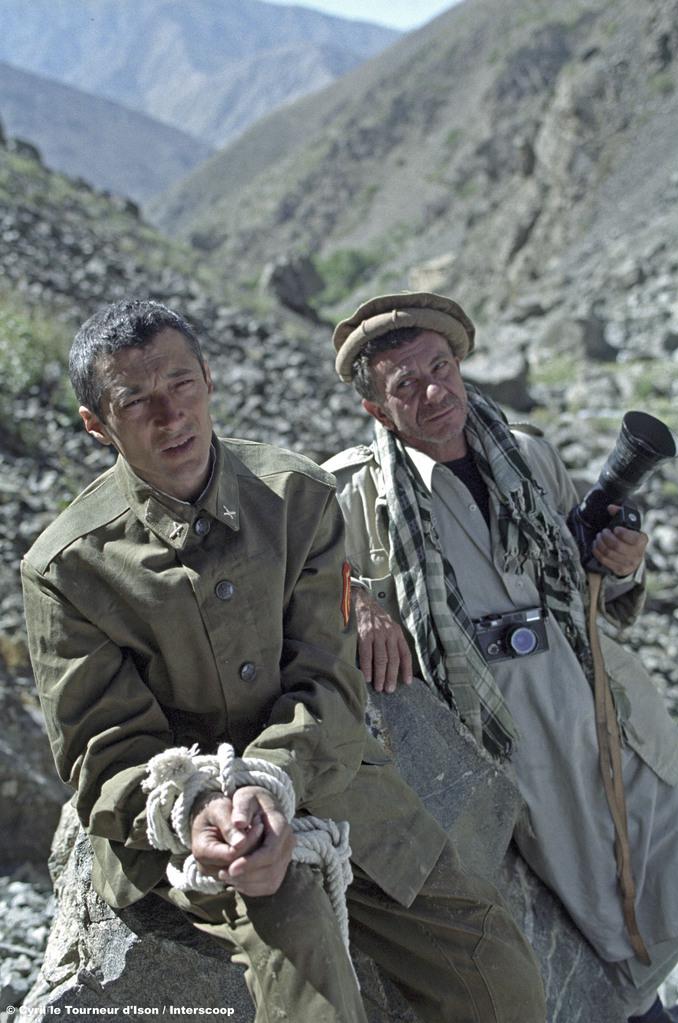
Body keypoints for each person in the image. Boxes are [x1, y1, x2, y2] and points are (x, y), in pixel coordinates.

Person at [21, 298, 545, 1023]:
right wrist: (202, 808)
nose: (170, 416)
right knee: (303, 954)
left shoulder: (295, 494)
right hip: (193, 822)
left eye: (181, 385)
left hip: (333, 779)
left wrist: (273, 779)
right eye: (134, 400)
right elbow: (105, 752)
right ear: (95, 423)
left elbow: (327, 677)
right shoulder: (68, 567)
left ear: (208, 379)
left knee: (495, 966)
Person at [323, 290, 678, 1023]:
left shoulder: (529, 453)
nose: (433, 390)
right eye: (405, 384)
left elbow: (594, 587)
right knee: (597, 919)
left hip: (603, 708)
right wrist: (356, 602)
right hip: (510, 745)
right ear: (375, 409)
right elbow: (304, 580)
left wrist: (623, 562)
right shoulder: (353, 493)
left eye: (440, 365)